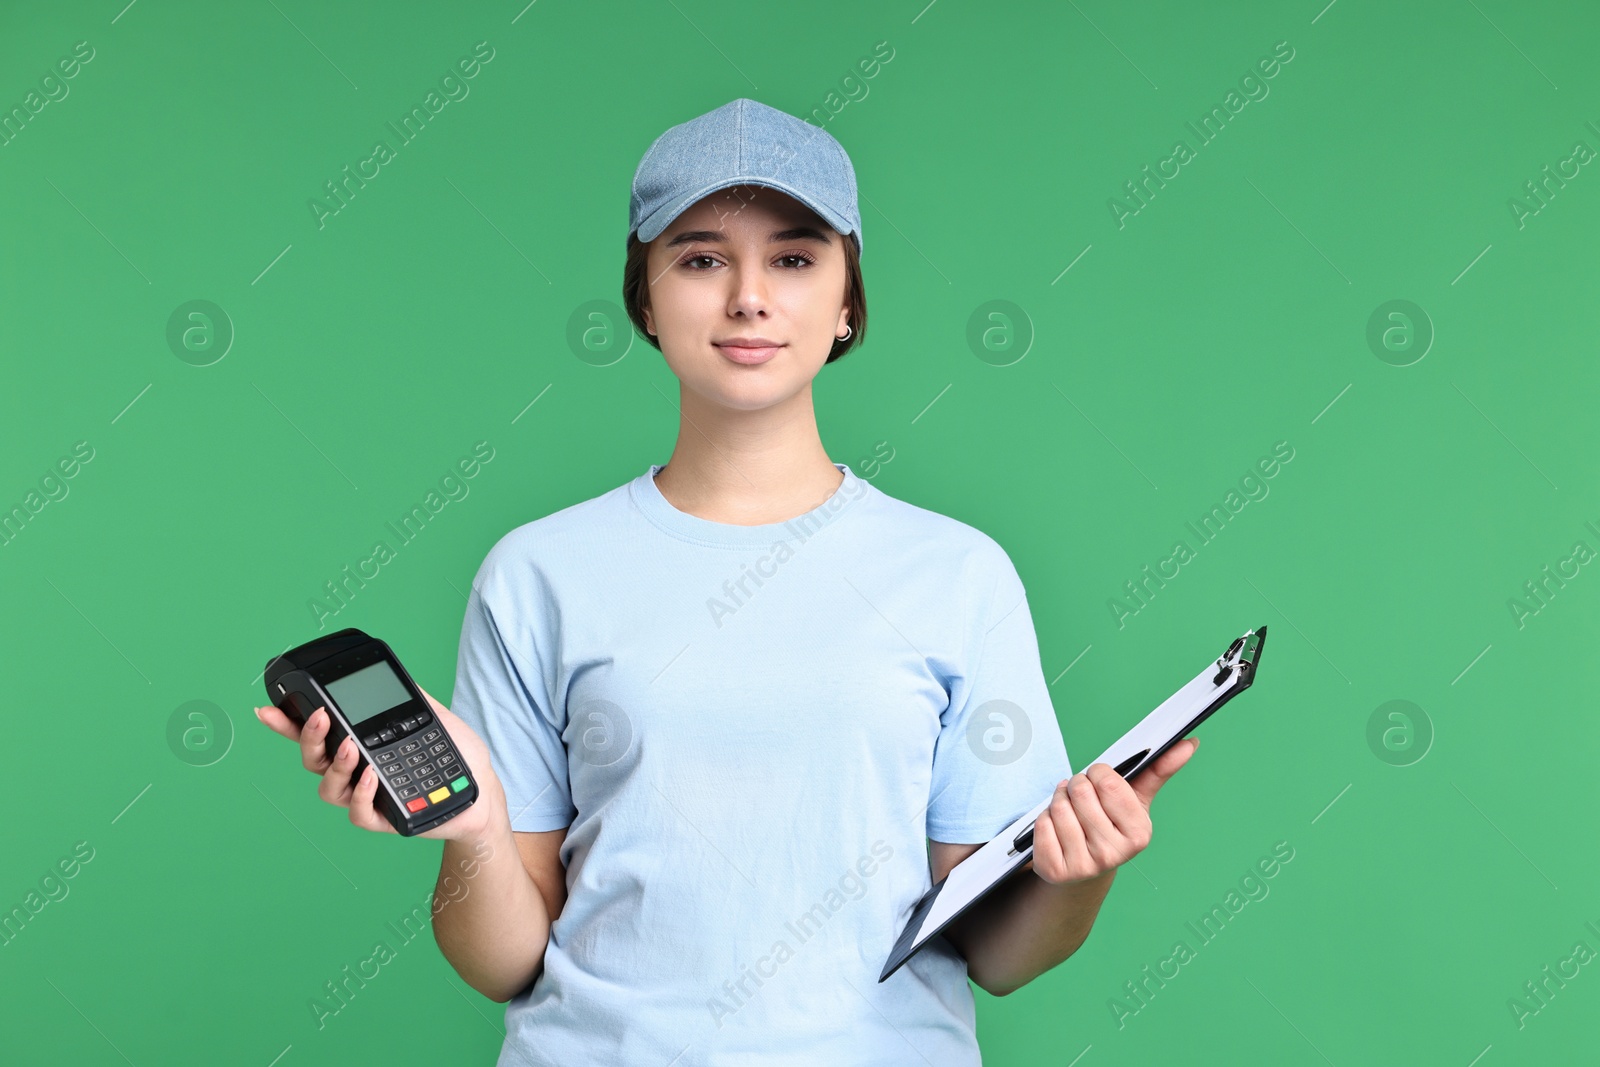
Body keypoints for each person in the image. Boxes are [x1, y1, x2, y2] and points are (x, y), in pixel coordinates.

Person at [255, 96, 1196, 1066]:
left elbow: (993, 950)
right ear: (646, 297)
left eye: (793, 258)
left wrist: (1079, 873)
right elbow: (503, 959)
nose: (749, 296)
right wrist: (479, 825)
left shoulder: (957, 574)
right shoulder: (536, 573)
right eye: (701, 258)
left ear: (845, 303)